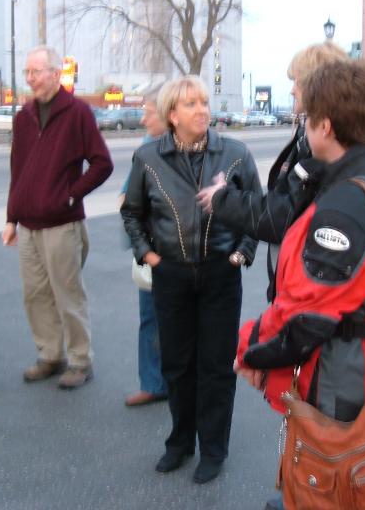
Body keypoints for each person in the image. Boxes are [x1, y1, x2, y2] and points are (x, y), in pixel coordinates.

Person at [233, 60, 365, 510]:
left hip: (347, 370)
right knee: (353, 471)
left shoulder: (347, 202)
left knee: (335, 474)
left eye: (308, 117)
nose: (304, 126)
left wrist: (250, 349)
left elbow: (308, 314)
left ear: (326, 126)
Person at [121, 75, 261, 484]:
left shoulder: (234, 154)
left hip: (220, 273)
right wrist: (149, 255)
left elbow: (256, 210)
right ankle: (180, 442)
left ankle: (213, 449)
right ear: (172, 114)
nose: (202, 110)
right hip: (172, 275)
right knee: (177, 364)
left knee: (216, 366)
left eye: (204, 102)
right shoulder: (148, 158)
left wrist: (241, 253)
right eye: (191, 104)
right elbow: (132, 213)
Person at [196, 41, 349, 302]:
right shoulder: (312, 137)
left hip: (308, 295)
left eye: (297, 82)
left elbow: (280, 215)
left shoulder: (327, 145)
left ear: (316, 85)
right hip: (298, 286)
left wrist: (222, 199)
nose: (291, 90)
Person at [2, 45, 113, 390]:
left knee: (68, 296)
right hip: (28, 225)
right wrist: (11, 218)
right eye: (27, 73)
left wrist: (70, 195)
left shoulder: (77, 112)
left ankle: (80, 360)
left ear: (55, 73)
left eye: (36, 72)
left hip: (62, 225)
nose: (31, 79)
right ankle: (50, 355)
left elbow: (102, 163)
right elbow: (18, 169)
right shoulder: (24, 117)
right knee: (35, 294)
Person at [119, 87, 168, 407]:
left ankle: (181, 382)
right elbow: (128, 197)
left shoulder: (191, 147)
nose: (143, 119)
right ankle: (153, 383)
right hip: (151, 248)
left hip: (179, 250)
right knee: (151, 318)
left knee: (182, 320)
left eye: (148, 112)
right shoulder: (147, 146)